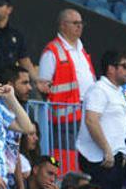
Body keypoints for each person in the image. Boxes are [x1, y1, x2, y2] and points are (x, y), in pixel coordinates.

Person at [37, 9, 95, 172]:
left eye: (81, 23)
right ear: (62, 25)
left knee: (83, 161)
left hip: (84, 114)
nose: (79, 26)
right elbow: (43, 85)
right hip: (64, 119)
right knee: (66, 162)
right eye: (75, 23)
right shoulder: (53, 51)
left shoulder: (82, 51)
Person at [76, 50, 126, 189]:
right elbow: (91, 120)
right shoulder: (99, 89)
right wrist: (106, 149)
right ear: (111, 69)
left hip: (115, 158)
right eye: (125, 66)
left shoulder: (117, 92)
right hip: (101, 159)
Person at [0, 0, 38, 85]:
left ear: (9, 9)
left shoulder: (16, 34)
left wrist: (37, 81)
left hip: (9, 86)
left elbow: (24, 61)